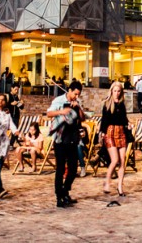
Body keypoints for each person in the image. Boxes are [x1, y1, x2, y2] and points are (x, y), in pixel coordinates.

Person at [47, 80, 85, 208]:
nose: (76, 96)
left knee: (73, 169)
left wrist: (78, 106)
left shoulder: (76, 102)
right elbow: (48, 113)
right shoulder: (58, 100)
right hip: (60, 138)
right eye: (75, 94)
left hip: (72, 138)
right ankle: (59, 196)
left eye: (78, 94)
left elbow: (82, 118)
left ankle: (65, 191)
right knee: (60, 168)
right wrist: (61, 112)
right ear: (69, 90)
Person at [99, 80, 131, 197]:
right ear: (111, 91)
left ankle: (120, 186)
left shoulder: (121, 104)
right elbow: (104, 119)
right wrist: (102, 132)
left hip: (121, 131)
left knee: (123, 161)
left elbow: (124, 118)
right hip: (110, 132)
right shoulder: (107, 103)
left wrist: (128, 124)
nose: (117, 93)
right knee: (115, 160)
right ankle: (107, 181)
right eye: (115, 91)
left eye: (119, 91)